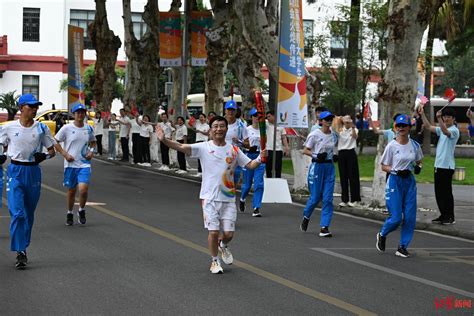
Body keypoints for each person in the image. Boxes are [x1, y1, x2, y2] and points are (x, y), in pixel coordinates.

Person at [156, 116, 266, 274]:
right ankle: (215, 261)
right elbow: (180, 145)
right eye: (215, 126)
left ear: (226, 129)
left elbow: (250, 165)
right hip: (209, 198)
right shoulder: (203, 147)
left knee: (228, 234)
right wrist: (164, 140)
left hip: (228, 198)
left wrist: (260, 158)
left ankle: (223, 245)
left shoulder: (234, 150)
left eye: (222, 126)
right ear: (210, 130)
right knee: (213, 231)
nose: (219, 129)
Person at [0, 93, 56, 269]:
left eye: (36, 106)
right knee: (17, 213)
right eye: (31, 106)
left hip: (33, 172)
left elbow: (52, 150)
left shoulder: (41, 129)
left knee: (29, 214)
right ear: (21, 107)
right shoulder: (8, 128)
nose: (35, 109)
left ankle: (23, 245)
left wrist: (45, 156)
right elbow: (1, 145)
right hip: (15, 171)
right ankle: (20, 250)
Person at [376, 114, 423, 258]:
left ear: (409, 128)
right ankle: (382, 234)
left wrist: (417, 167)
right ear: (395, 127)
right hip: (395, 181)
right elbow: (384, 166)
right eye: (399, 126)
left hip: (409, 182)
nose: (401, 128)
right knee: (396, 217)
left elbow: (419, 160)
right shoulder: (392, 146)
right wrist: (396, 170)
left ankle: (402, 246)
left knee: (409, 217)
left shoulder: (414, 145)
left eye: (404, 126)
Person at [54, 104, 97, 226]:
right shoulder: (66, 128)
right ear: (73, 114)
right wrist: (65, 154)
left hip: (84, 164)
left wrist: (91, 152)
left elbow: (93, 142)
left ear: (85, 114)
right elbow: (55, 141)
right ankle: (69, 212)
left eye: (82, 112)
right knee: (72, 191)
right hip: (70, 164)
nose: (80, 115)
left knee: (83, 190)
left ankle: (82, 210)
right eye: (78, 112)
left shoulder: (88, 129)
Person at [300, 111, 338, 237]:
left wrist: (335, 155)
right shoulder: (315, 134)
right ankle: (306, 216)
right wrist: (316, 155)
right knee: (315, 197)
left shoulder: (333, 134)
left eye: (330, 119)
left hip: (329, 167)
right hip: (317, 167)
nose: (328, 121)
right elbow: (305, 150)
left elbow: (334, 148)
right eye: (326, 119)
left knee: (328, 199)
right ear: (321, 121)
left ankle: (324, 227)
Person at [420, 107, 460, 225]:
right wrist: (422, 114)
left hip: (447, 167)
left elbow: (446, 132)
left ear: (453, 119)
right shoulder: (441, 129)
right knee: (439, 193)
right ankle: (443, 215)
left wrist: (439, 119)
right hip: (438, 166)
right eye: (445, 116)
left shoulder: (454, 130)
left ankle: (450, 217)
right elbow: (428, 126)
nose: (446, 119)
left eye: (448, 117)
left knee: (446, 193)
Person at [239, 108, 266, 217]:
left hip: (260, 156)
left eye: (259, 116)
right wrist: (248, 147)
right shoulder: (247, 129)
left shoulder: (264, 130)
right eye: (255, 116)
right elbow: (243, 143)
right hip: (248, 156)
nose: (257, 118)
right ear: (251, 117)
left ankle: (256, 208)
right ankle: (242, 198)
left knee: (259, 183)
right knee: (247, 184)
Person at [334, 115, 361, 207]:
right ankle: (344, 199)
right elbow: (335, 127)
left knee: (353, 176)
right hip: (341, 153)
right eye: (345, 119)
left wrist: (352, 127)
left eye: (349, 119)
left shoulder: (355, 129)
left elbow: (355, 137)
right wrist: (339, 119)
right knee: (343, 177)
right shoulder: (340, 129)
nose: (347, 121)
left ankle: (355, 199)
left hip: (351, 153)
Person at [224, 100, 249, 184]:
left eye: (232, 110)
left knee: (233, 183)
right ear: (225, 110)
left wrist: (239, 141)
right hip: (221, 156)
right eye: (228, 109)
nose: (230, 112)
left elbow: (248, 144)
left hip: (235, 158)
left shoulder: (241, 126)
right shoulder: (220, 124)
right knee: (221, 182)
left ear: (236, 111)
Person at [265, 110, 289, 178]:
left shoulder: (281, 125)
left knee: (278, 168)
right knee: (268, 168)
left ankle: (278, 181)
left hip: (278, 150)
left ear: (274, 116)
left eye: (269, 116)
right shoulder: (266, 124)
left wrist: (287, 148)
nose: (268, 118)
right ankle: (268, 182)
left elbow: (284, 137)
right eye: (267, 117)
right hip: (268, 149)